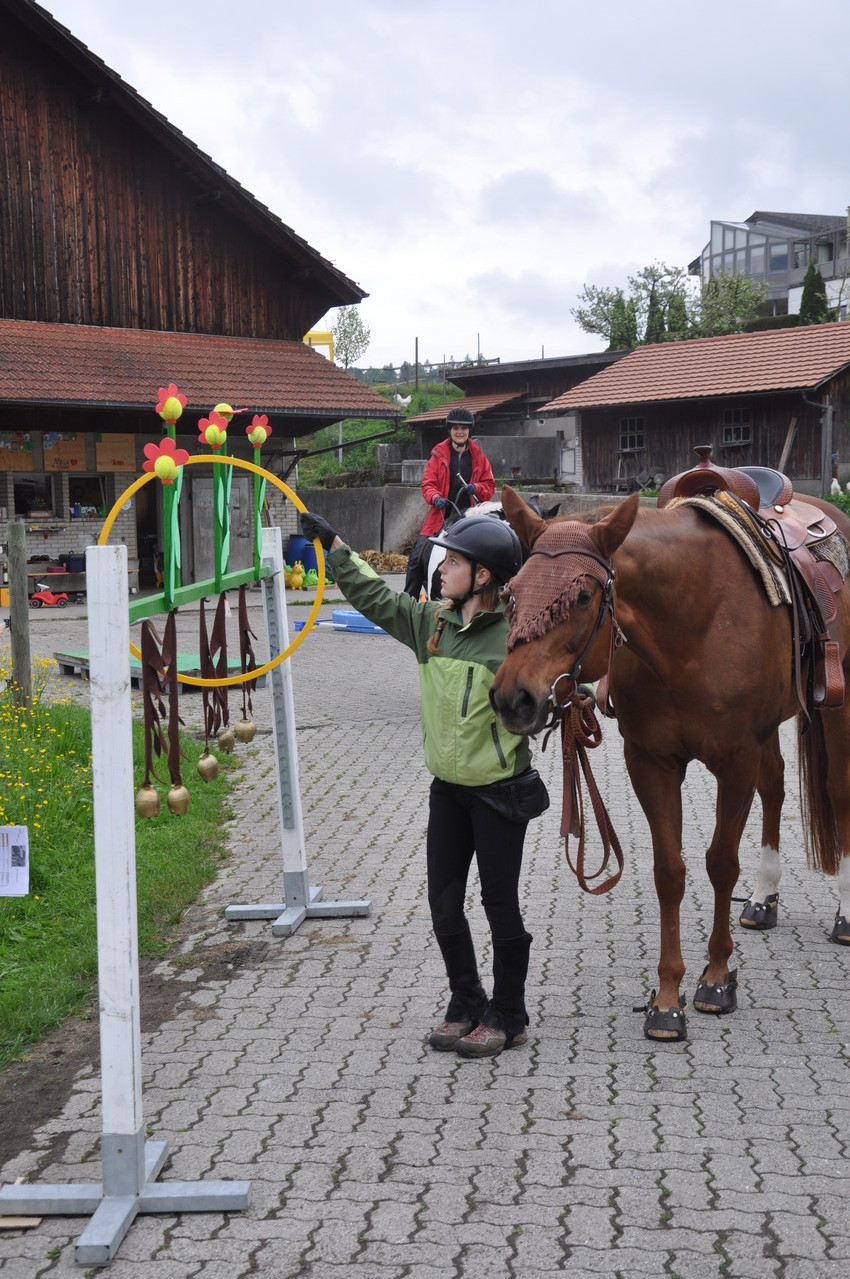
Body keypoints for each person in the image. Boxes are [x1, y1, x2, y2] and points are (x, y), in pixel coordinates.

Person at [300, 509, 548, 1058]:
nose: (440, 569)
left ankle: (509, 1014)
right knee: (443, 903)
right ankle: (466, 1000)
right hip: (448, 792)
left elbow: (568, 668)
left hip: (499, 794)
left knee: (499, 904)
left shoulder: (518, 640)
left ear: (482, 576)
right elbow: (377, 599)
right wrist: (335, 544)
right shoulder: (433, 624)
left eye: (452, 562)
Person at [403, 404, 496, 599]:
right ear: (450, 430)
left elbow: (489, 486)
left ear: (469, 431)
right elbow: (428, 484)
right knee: (415, 559)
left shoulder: (479, 456)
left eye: (463, 428)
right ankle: (407, 604)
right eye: (456, 428)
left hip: (470, 516)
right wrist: (435, 497)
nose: (460, 432)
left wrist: (476, 488)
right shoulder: (438, 454)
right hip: (441, 515)